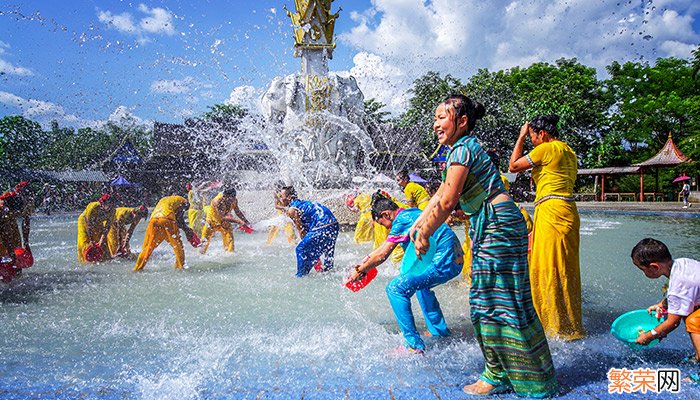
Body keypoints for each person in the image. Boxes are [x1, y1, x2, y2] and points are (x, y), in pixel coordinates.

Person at [412, 95, 557, 397]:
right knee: (504, 300)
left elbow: (450, 201)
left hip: (497, 225)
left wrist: (425, 232)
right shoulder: (460, 150)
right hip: (498, 222)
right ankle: (524, 374)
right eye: (435, 118)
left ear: (462, 121)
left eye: (442, 117)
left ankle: (499, 373)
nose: (436, 123)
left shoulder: (462, 150)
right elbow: (441, 193)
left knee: (488, 302)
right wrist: (419, 223)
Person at [349, 194, 463, 353]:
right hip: (456, 259)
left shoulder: (400, 220)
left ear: (386, 214)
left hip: (443, 261)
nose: (388, 229)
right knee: (421, 286)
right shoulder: (413, 213)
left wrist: (360, 271)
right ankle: (439, 331)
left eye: (385, 225)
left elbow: (383, 254)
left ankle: (413, 345)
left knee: (395, 289)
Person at [509, 115, 585, 341]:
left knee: (547, 267)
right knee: (565, 268)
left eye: (532, 136)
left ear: (541, 133)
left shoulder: (547, 148)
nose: (531, 141)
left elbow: (513, 166)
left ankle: (553, 326)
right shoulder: (569, 151)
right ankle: (569, 323)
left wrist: (520, 137)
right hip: (567, 211)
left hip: (552, 211)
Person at [632, 238, 700, 364]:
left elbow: (673, 323)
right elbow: (685, 294)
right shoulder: (681, 263)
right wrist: (662, 305)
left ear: (654, 267)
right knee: (688, 311)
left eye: (643, 269)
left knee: (693, 321)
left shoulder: (678, 285)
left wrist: (649, 336)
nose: (643, 273)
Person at [277, 186, 339, 277]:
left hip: (322, 226)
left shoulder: (292, 209)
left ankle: (300, 276)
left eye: (281, 196)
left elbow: (301, 231)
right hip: (334, 224)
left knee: (300, 249)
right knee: (327, 250)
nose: (280, 199)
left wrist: (306, 245)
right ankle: (328, 271)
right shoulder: (303, 204)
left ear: (289, 197)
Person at [134, 194, 199, 271]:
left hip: (153, 220)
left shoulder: (164, 199)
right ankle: (181, 267)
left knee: (147, 247)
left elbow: (177, 221)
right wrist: (187, 230)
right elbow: (179, 219)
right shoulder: (183, 201)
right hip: (167, 218)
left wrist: (185, 229)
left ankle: (137, 268)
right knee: (178, 246)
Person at [200, 188, 252, 254]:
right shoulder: (217, 201)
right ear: (224, 196)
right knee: (203, 246)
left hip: (225, 224)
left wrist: (246, 221)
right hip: (211, 223)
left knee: (230, 245)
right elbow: (222, 217)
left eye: (234, 198)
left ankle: (230, 259)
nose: (232, 201)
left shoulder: (234, 200)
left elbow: (237, 211)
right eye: (230, 199)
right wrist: (239, 222)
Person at [77, 193, 117, 263]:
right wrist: (92, 241)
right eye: (108, 204)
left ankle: (105, 258)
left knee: (103, 243)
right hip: (84, 222)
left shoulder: (113, 211)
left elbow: (107, 227)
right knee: (85, 241)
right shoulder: (93, 207)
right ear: (102, 203)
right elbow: (89, 226)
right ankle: (85, 260)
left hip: (98, 222)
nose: (110, 206)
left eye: (112, 204)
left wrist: (101, 240)